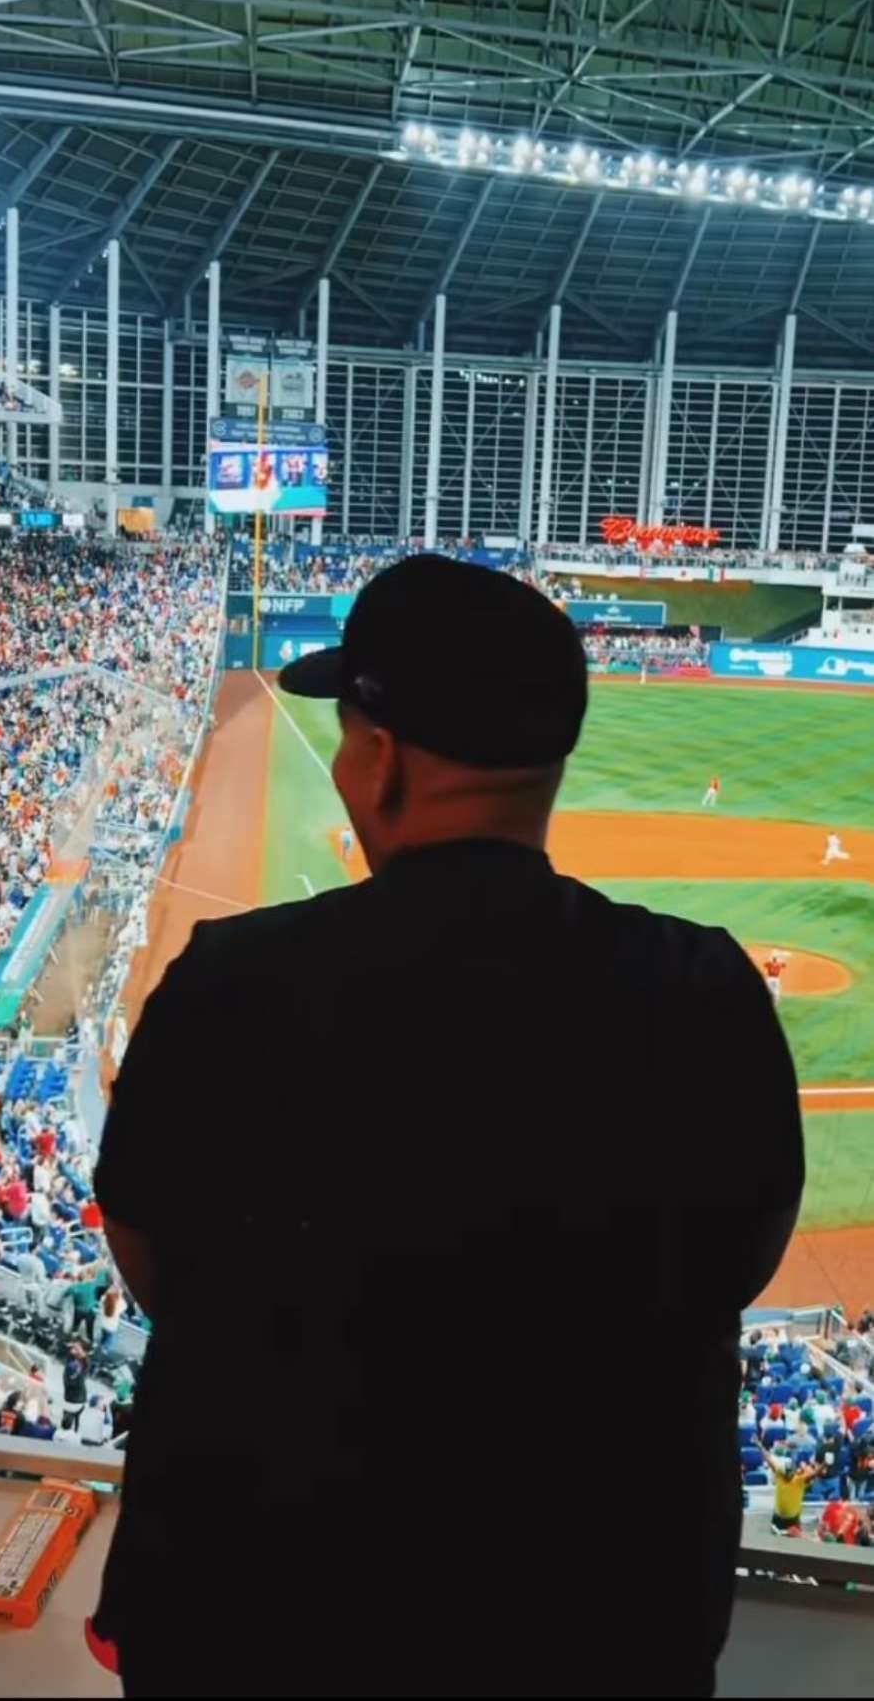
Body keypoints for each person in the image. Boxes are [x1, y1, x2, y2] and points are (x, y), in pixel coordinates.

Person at [94, 555, 803, 1701]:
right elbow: (742, 1258)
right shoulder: (706, 993)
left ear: (381, 759)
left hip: (259, 1621)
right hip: (597, 1631)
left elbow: (146, 1249)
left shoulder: (232, 984)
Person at [758, 1441, 820, 1535]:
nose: (788, 1476)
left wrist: (824, 1465)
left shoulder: (799, 1480)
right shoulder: (780, 1474)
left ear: (794, 1473)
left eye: (790, 1474)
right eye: (787, 1473)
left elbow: (814, 1474)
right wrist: (759, 1445)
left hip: (792, 1519)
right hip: (778, 1518)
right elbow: (768, 1458)